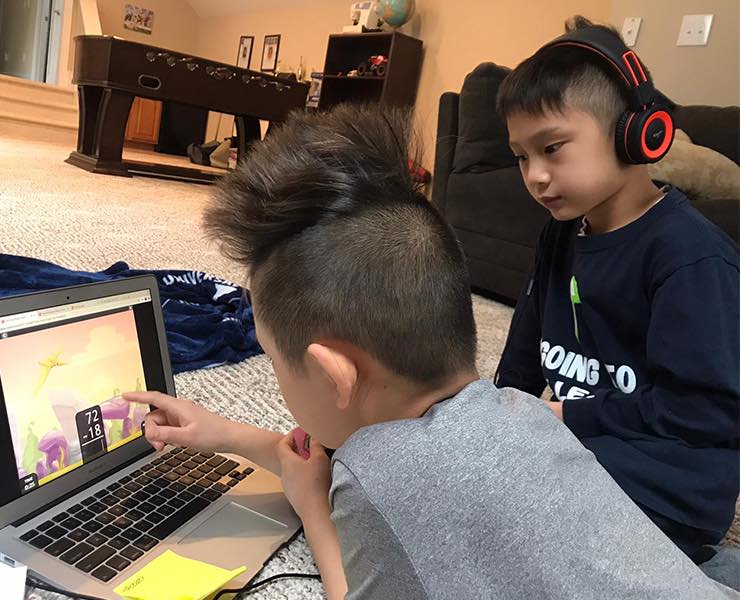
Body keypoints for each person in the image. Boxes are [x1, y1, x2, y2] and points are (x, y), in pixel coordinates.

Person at [124, 104, 736, 599]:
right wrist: (227, 434)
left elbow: (352, 543)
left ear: (333, 373)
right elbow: (349, 456)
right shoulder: (517, 411)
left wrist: (313, 507)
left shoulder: (376, 480)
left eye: (274, 358)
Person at [494, 15, 740, 573]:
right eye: (521, 156)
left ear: (637, 134)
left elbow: (705, 416)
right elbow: (521, 364)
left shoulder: (692, 259)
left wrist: (568, 418)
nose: (534, 176)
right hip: (577, 443)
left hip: (667, 471)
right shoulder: (560, 235)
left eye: (552, 148)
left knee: (529, 534)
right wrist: (496, 416)